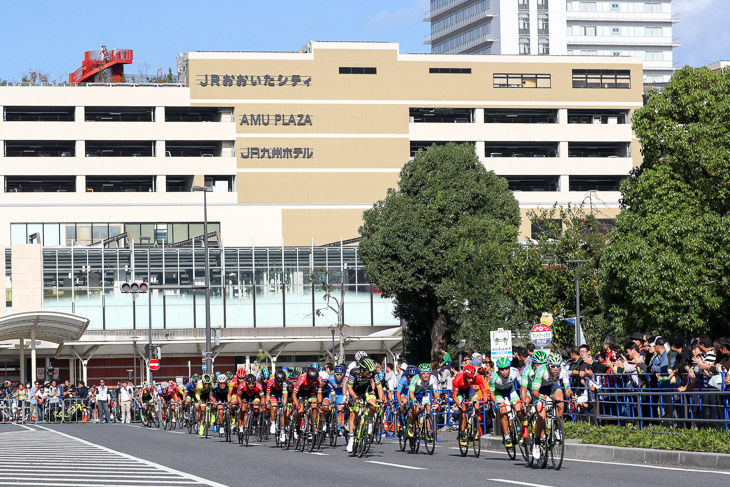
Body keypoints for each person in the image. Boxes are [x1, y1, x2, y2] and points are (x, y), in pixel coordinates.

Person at [531, 353, 572, 460]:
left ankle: (557, 428)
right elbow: (534, 391)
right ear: (548, 365)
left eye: (558, 366)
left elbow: (567, 389)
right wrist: (540, 396)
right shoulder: (541, 371)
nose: (556, 369)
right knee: (542, 417)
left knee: (561, 401)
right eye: (553, 366)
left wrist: (571, 396)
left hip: (552, 388)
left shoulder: (563, 371)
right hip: (539, 391)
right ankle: (536, 442)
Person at [346, 358, 384, 453]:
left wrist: (382, 400)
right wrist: (355, 397)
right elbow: (349, 387)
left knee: (373, 404)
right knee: (353, 413)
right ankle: (351, 438)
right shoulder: (354, 371)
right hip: (355, 391)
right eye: (369, 373)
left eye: (372, 372)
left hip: (367, 390)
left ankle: (370, 421)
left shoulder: (373, 372)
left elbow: (379, 387)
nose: (371, 374)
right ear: (362, 370)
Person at [490, 357, 523, 448]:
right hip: (498, 393)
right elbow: (491, 393)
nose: (504, 371)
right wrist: (496, 402)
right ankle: (507, 437)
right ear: (498, 369)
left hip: (510, 391)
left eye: (506, 368)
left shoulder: (515, 372)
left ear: (509, 367)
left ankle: (519, 429)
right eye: (501, 369)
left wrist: (523, 398)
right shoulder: (494, 377)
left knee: (519, 410)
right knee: (503, 412)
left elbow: (522, 385)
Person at [452, 363, 487, 446]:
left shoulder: (478, 377)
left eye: (472, 378)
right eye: (468, 377)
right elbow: (454, 395)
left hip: (469, 390)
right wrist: (459, 405)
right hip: (459, 391)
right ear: (464, 375)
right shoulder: (458, 378)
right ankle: (462, 432)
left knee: (477, 405)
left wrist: (486, 401)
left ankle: (475, 425)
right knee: (463, 410)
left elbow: (483, 391)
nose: (470, 380)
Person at [407, 363, 440, 438]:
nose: (425, 375)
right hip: (414, 395)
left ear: (430, 372)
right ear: (420, 373)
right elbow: (411, 392)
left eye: (427, 373)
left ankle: (428, 432)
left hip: (423, 395)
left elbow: (436, 391)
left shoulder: (433, 378)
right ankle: (411, 424)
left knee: (428, 410)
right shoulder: (415, 378)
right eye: (423, 373)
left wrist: (437, 398)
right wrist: (414, 400)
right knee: (416, 409)